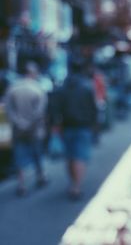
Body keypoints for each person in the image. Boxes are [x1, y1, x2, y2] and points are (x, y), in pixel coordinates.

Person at [4, 62, 48, 196]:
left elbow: (8, 109)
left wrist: (19, 122)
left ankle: (21, 185)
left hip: (18, 129)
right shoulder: (38, 88)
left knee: (19, 156)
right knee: (37, 153)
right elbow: (40, 111)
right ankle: (40, 177)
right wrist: (29, 123)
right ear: (33, 73)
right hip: (35, 129)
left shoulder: (12, 88)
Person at [56, 59, 98, 200]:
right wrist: (94, 126)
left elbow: (57, 108)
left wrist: (57, 125)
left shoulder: (63, 87)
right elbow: (93, 109)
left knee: (70, 156)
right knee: (80, 156)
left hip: (67, 126)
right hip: (83, 127)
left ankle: (72, 183)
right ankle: (76, 187)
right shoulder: (87, 87)